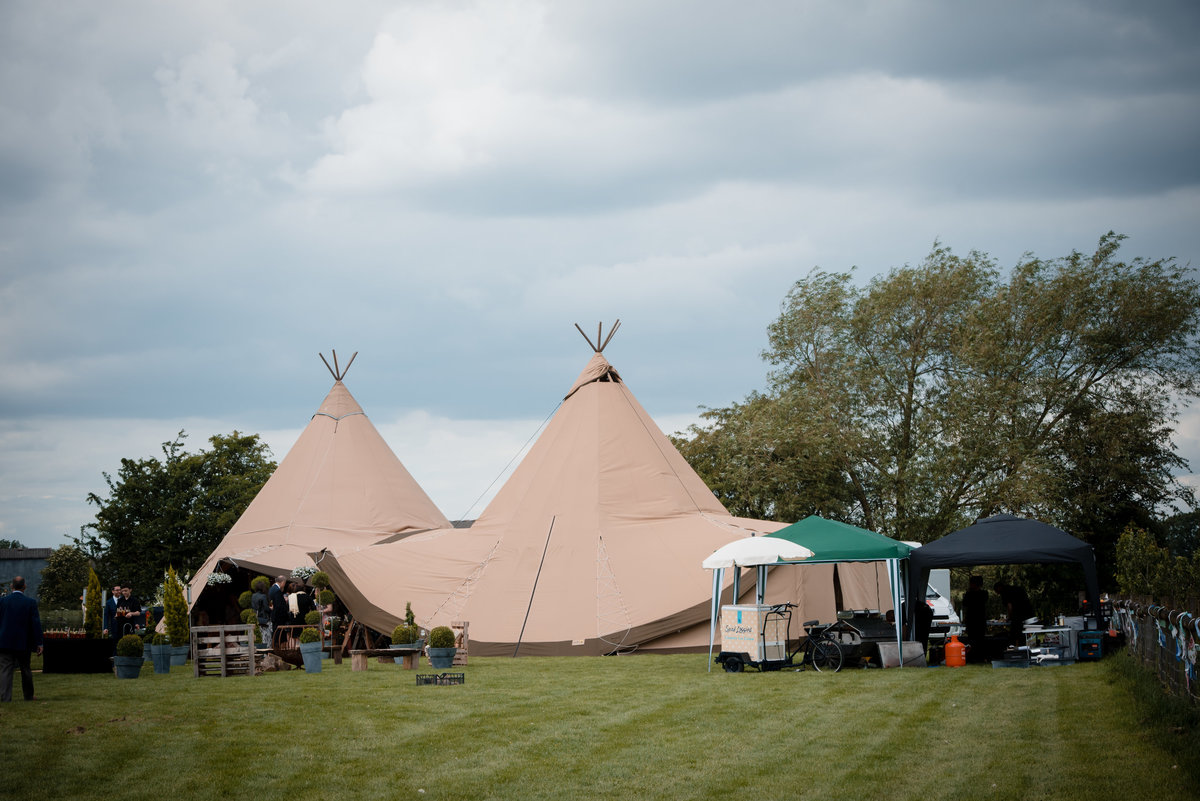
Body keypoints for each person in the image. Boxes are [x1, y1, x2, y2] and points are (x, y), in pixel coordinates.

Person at [0, 576, 44, 702]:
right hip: (23, 642)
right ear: (24, 586)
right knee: (25, 669)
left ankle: (5, 697)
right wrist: (39, 643)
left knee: (5, 670)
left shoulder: (2, 602)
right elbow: (36, 624)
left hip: (4, 641)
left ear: (11, 586)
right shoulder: (30, 602)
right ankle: (28, 696)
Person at [994, 581, 1034, 647]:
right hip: (1028, 612)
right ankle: (1023, 646)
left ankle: (1015, 647)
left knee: (1015, 632)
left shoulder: (1005, 592)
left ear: (999, 588)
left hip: (1018, 614)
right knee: (1023, 631)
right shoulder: (1016, 589)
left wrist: (1009, 617)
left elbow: (1009, 606)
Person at [962, 575, 989, 663]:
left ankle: (975, 657)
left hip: (975, 620)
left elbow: (965, 604)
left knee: (975, 640)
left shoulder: (972, 594)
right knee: (977, 640)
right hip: (976, 620)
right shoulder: (984, 594)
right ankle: (977, 657)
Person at [268, 575, 289, 647]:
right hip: (279, 617)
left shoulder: (272, 589)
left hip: (275, 616)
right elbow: (279, 606)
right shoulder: (277, 591)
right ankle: (278, 650)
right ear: (283, 582)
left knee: (276, 634)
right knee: (279, 636)